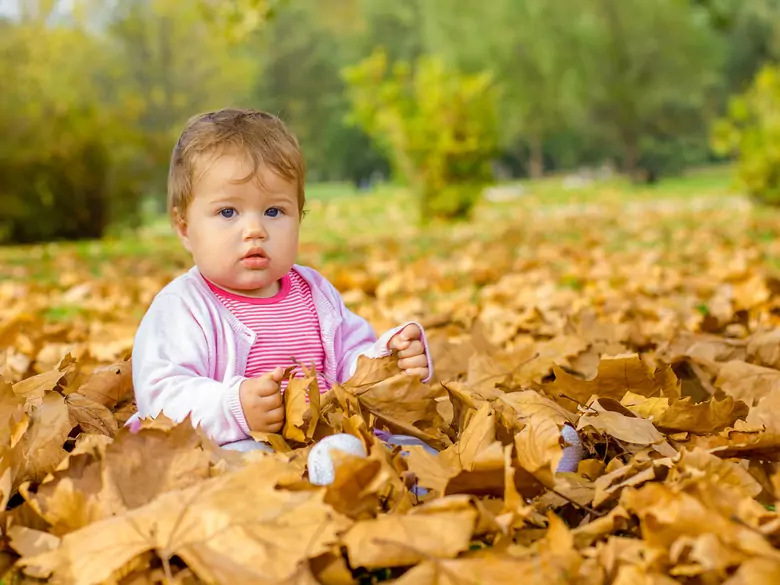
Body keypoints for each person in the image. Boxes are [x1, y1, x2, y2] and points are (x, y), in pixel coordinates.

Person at [128, 108, 433, 450]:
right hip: (241, 443)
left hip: (326, 433)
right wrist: (235, 406)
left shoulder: (314, 292)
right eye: (228, 212)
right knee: (244, 460)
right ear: (185, 228)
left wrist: (387, 362)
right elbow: (161, 395)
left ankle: (377, 479)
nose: (255, 230)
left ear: (298, 217)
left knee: (414, 449)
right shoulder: (182, 308)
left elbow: (351, 358)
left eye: (274, 211)